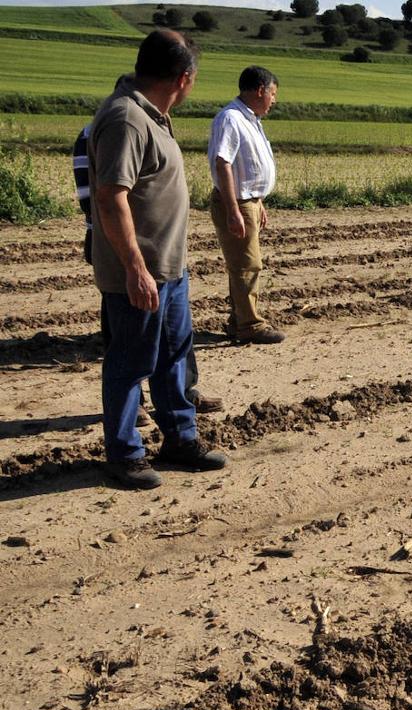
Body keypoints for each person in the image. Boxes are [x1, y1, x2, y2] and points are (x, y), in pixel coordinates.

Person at [88, 29, 227, 489]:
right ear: (183, 78)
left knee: (174, 357)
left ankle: (180, 439)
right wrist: (134, 268)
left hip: (169, 269)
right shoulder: (126, 118)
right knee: (131, 363)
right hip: (140, 273)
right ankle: (125, 455)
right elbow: (110, 198)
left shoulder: (153, 114)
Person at [74, 123, 223, 425]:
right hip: (118, 239)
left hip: (160, 244)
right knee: (124, 324)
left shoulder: (154, 126)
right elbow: (96, 195)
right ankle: (136, 404)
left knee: (173, 329)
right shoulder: (110, 129)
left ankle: (183, 389)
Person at [208, 65, 284, 344]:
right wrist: (233, 209)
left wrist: (259, 200)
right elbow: (223, 163)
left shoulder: (249, 119)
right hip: (237, 203)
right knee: (247, 266)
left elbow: (246, 167)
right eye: (273, 93)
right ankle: (250, 325)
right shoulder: (230, 118)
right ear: (260, 90)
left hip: (248, 201)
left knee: (243, 264)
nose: (274, 100)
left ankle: (238, 319)